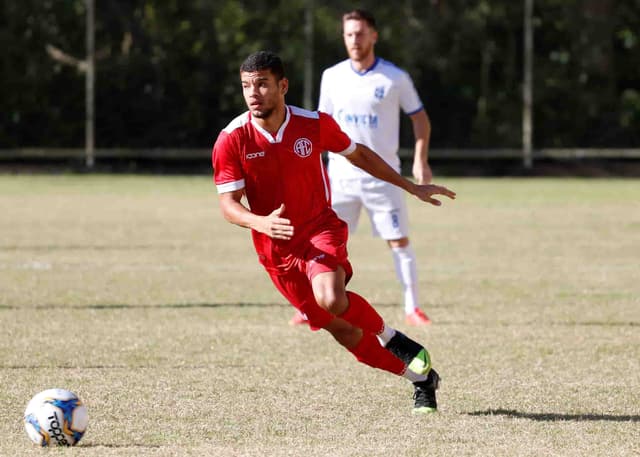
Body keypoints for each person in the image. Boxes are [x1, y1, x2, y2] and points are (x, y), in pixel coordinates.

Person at [211, 50, 456, 413]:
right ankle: (421, 379)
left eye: (262, 84)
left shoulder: (313, 124)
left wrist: (409, 186)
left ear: (283, 86)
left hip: (319, 230)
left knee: (330, 297)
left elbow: (360, 155)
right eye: (247, 85)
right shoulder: (232, 139)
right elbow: (229, 206)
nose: (253, 93)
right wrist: (259, 222)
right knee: (344, 332)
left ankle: (393, 337)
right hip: (275, 251)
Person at [292, 9, 434, 327]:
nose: (354, 40)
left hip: (382, 178)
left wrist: (420, 158)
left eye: (360, 33)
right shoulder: (332, 76)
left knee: (398, 240)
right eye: (349, 34)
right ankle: (308, 307)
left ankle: (413, 307)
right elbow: (319, 125)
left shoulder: (395, 78)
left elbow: (420, 118)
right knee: (322, 242)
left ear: (374, 36)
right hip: (340, 178)